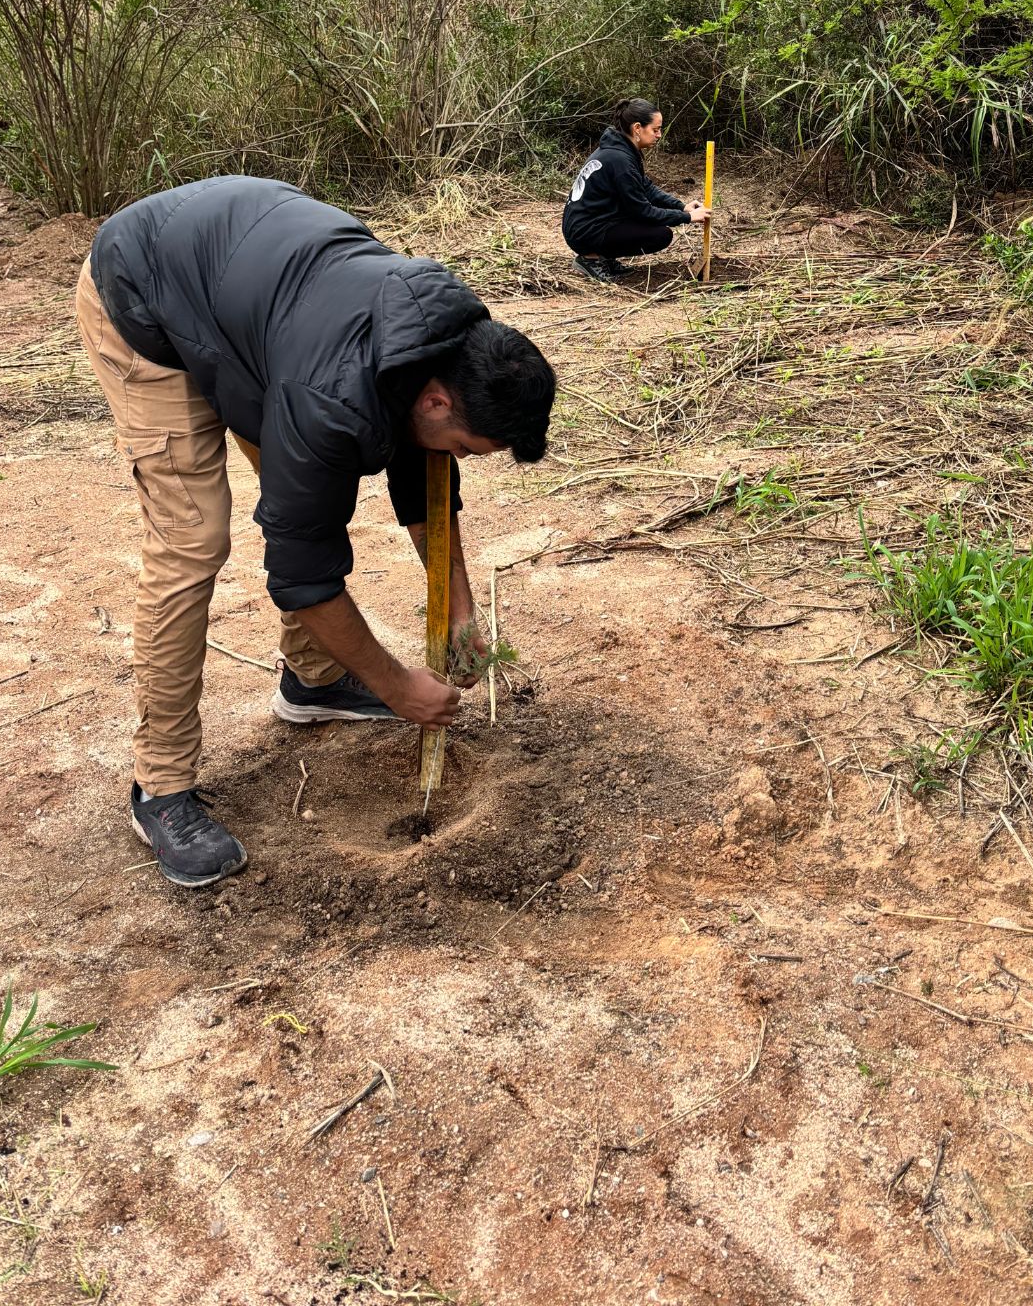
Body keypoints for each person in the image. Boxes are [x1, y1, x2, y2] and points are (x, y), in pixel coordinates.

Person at [75, 175, 557, 889]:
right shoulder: (329, 400)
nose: (455, 459)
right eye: (462, 445)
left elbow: (427, 485)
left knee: (307, 489)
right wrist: (395, 686)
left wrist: (459, 610)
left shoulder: (447, 339)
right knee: (194, 541)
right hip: (146, 295)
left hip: (255, 308)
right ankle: (161, 788)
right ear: (435, 399)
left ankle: (315, 681)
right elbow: (301, 575)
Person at [561, 99, 710, 282]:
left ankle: (602, 257)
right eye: (655, 129)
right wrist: (687, 218)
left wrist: (681, 207)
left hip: (586, 225)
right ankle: (591, 259)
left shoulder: (620, 150)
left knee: (650, 225)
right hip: (584, 232)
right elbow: (643, 211)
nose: (659, 135)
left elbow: (645, 187)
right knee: (660, 235)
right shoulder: (620, 160)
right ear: (637, 128)